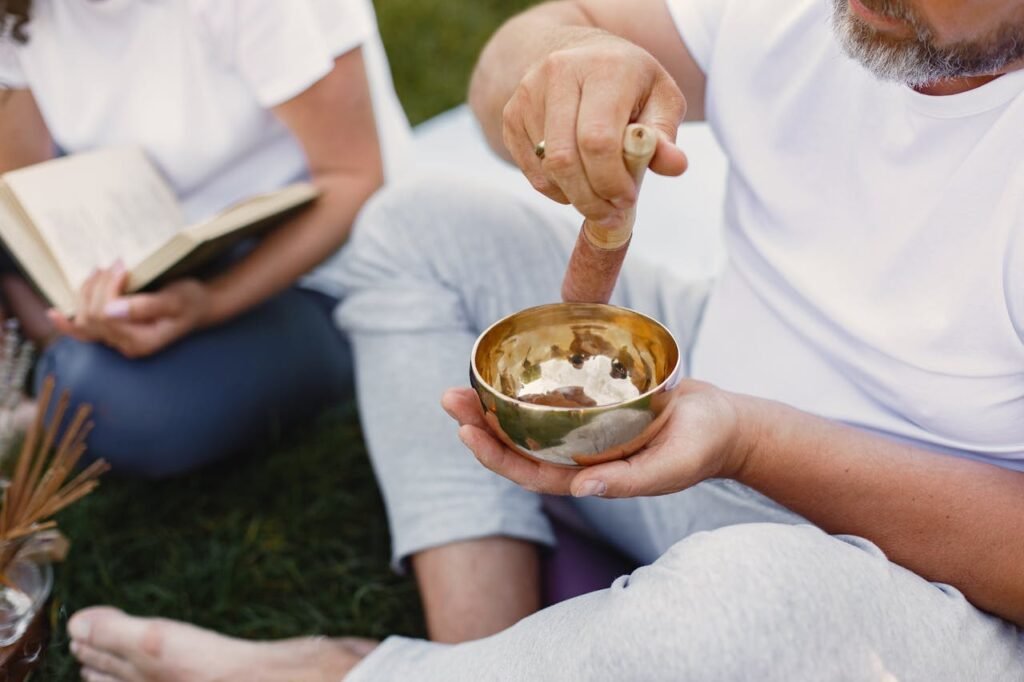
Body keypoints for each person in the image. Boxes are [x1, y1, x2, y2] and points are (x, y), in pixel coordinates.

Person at [65, 0, 1024, 679]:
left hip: (919, 583)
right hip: (705, 408)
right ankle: (484, 652)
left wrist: (752, 441)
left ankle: (360, 675)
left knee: (733, 609)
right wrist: (564, 61)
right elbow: (515, 51)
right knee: (418, 226)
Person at [0, 0, 410, 476]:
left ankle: (45, 352)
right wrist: (72, 287)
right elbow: (21, 183)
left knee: (111, 403)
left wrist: (208, 304)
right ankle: (44, 345)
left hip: (315, 261)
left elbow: (354, 176)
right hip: (147, 230)